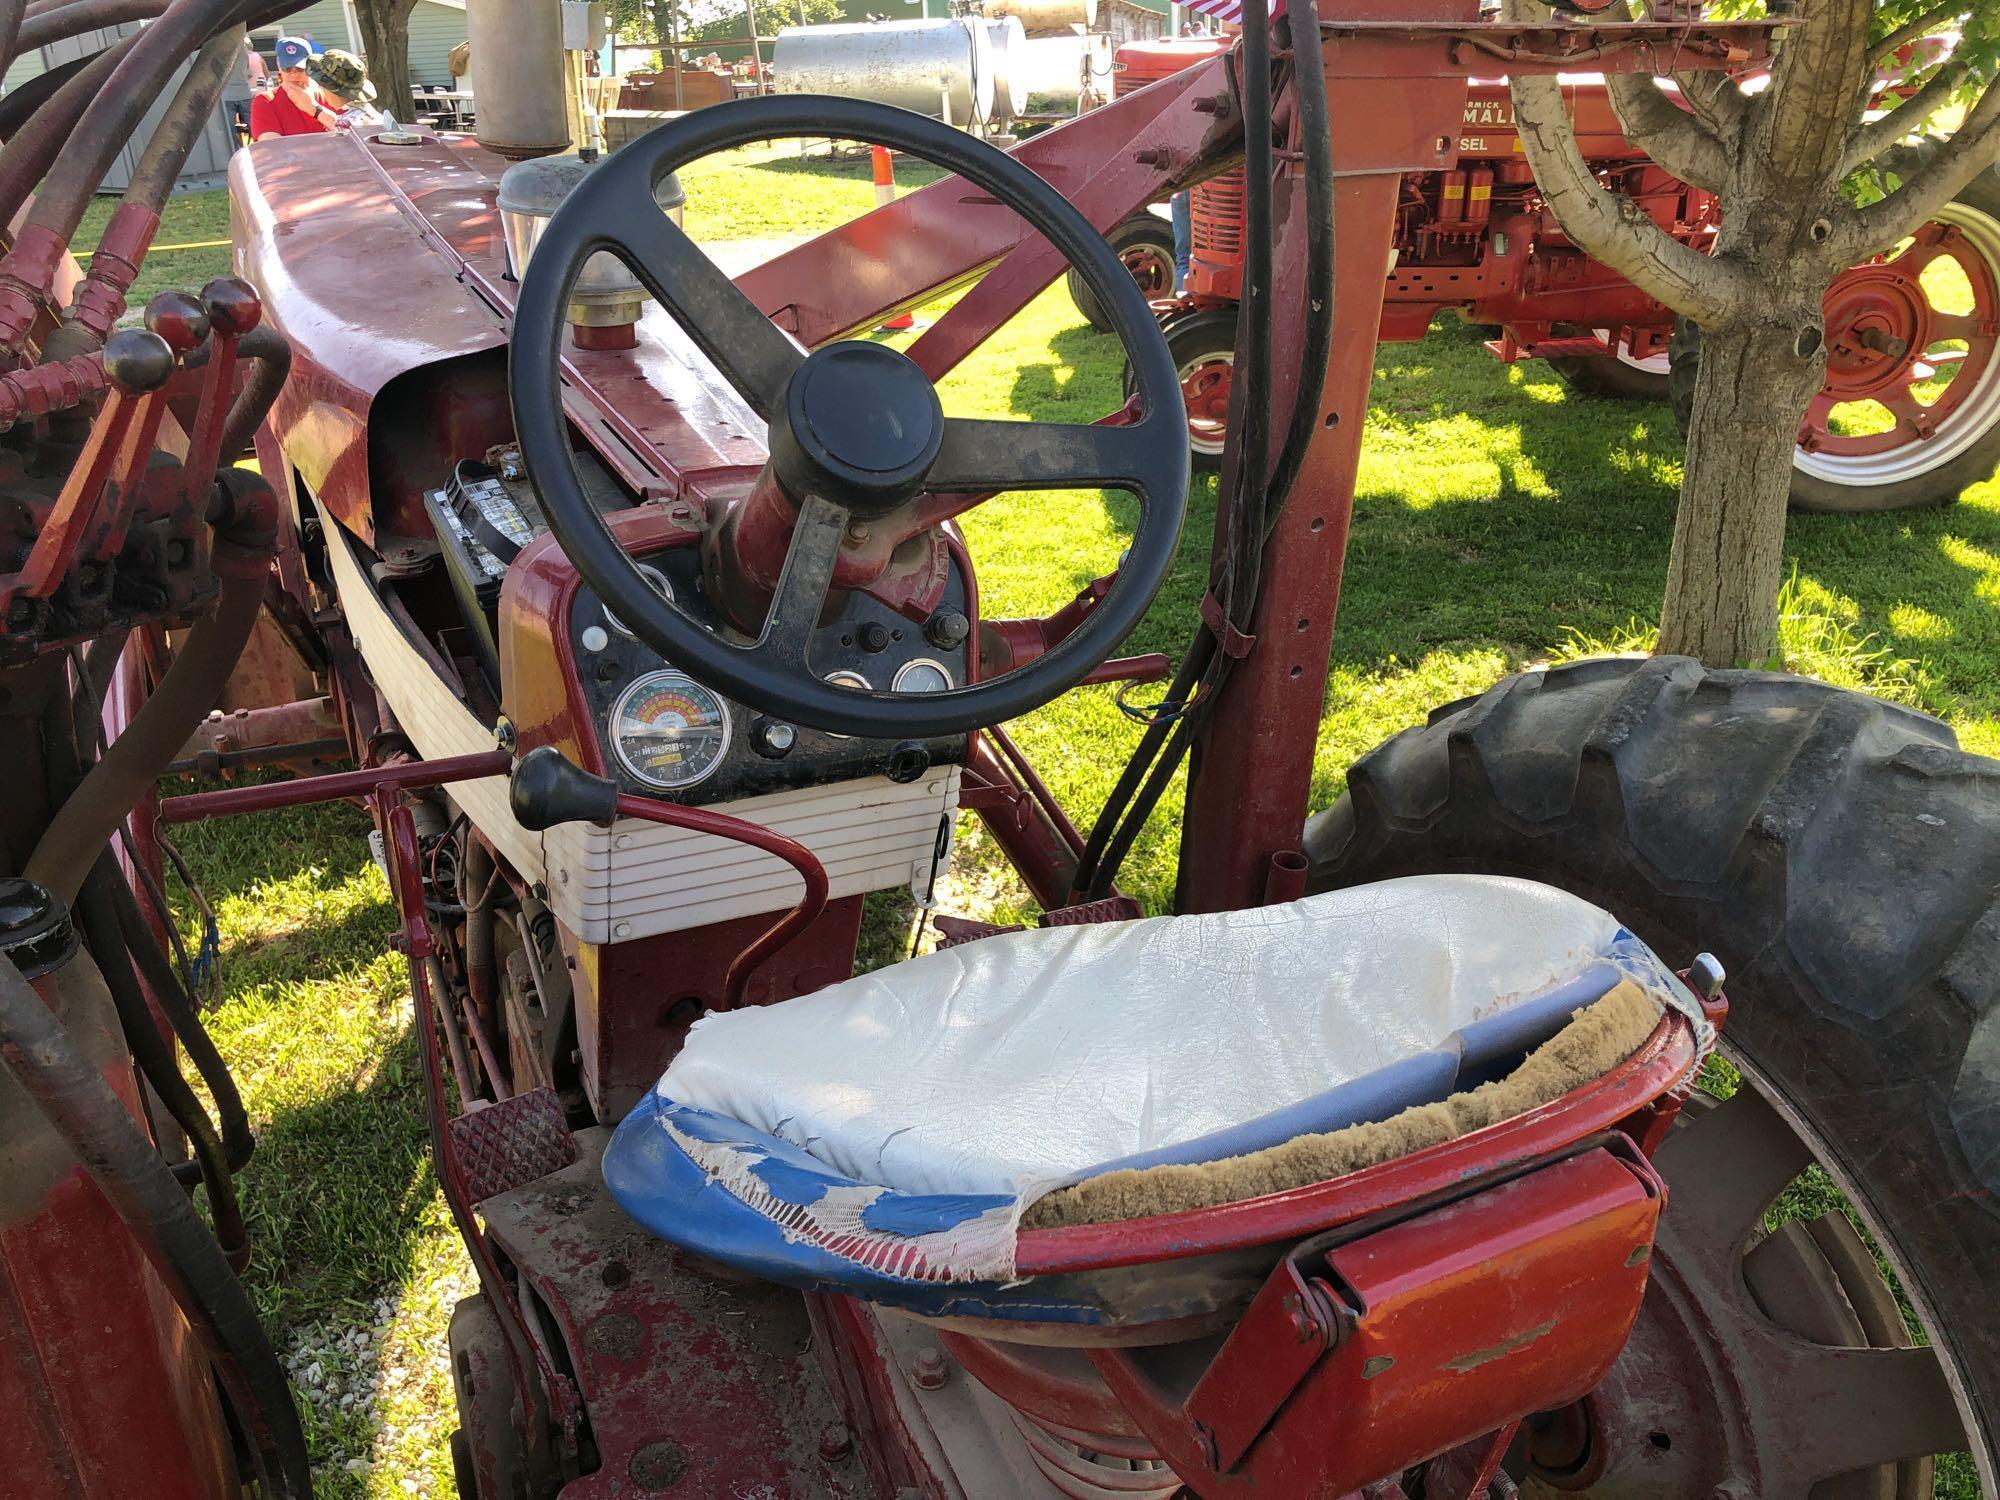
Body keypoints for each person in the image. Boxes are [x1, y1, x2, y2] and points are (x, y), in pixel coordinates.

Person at [248, 36, 339, 140]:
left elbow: (348, 132)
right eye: (288, 69)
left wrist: (314, 109)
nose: (294, 75)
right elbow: (270, 146)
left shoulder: (328, 94)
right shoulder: (266, 101)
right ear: (279, 66)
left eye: (300, 69)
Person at [306, 48, 385, 129]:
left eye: (320, 84)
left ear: (329, 89)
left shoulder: (348, 126)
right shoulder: (369, 112)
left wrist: (314, 110)